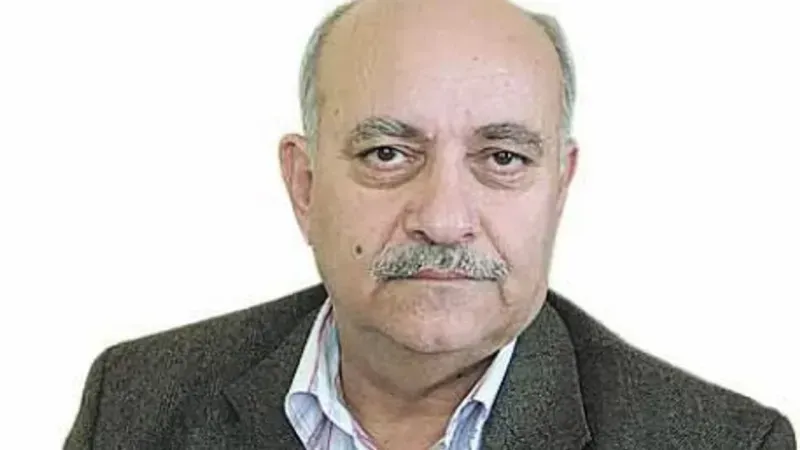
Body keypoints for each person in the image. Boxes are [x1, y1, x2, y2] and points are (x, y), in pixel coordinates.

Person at [64, 0, 796, 448]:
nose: (444, 220)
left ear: (559, 189)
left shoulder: (723, 443)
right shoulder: (133, 404)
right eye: (387, 154)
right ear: (304, 185)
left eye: (503, 158)